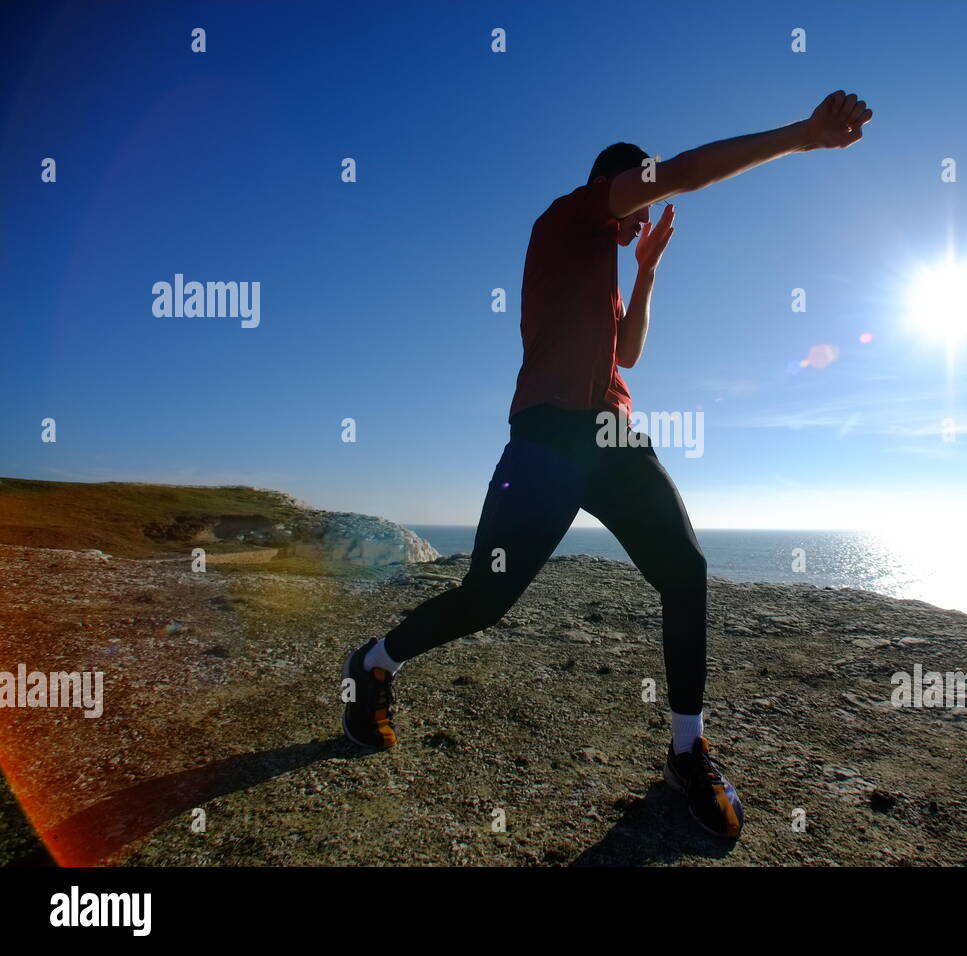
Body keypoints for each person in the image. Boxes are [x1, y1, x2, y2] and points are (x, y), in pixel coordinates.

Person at [342, 90, 873, 839]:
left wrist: (648, 274)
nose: (636, 229)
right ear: (619, 187)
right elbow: (683, 171)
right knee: (484, 601)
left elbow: (627, 355)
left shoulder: (608, 264)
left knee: (685, 572)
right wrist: (803, 136)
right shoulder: (569, 217)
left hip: (611, 437)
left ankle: (687, 752)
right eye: (635, 213)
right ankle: (373, 662)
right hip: (544, 442)